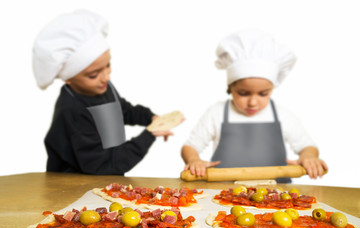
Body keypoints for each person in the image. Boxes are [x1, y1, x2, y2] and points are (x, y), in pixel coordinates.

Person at [32, 9, 173, 175]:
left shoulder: (102, 86)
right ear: (68, 78)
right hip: (73, 186)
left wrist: (150, 118)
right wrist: (148, 135)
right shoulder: (72, 110)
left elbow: (123, 111)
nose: (106, 77)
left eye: (108, 66)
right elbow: (102, 165)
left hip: (104, 177)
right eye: (93, 75)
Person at [181, 30, 328, 183]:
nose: (253, 102)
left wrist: (309, 157)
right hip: (223, 192)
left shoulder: (282, 114)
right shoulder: (216, 113)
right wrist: (194, 160)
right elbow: (190, 146)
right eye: (243, 93)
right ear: (231, 88)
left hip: (277, 196)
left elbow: (307, 146)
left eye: (263, 94)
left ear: (272, 89)